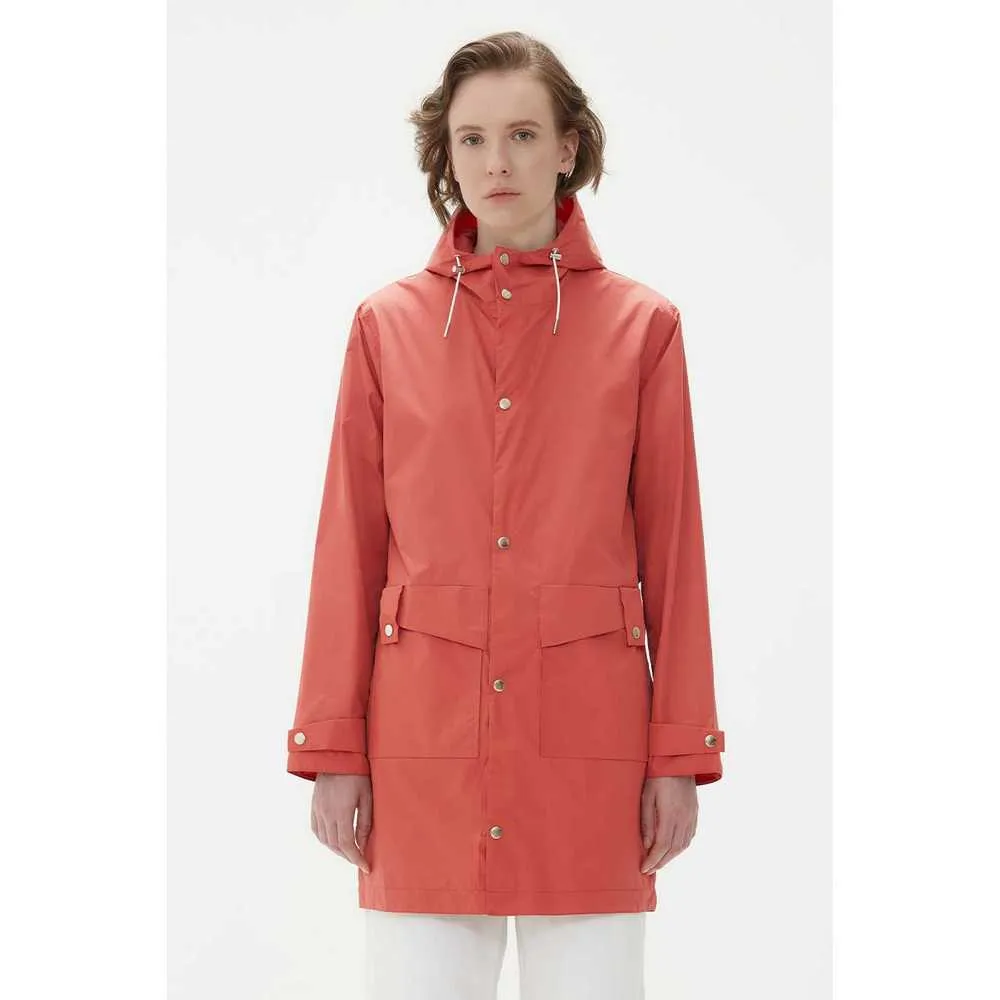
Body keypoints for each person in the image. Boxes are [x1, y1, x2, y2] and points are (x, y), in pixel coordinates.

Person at [285, 30, 727, 1000]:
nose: (497, 162)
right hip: (422, 758)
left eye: (523, 134)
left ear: (568, 147)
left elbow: (675, 554)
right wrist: (331, 748)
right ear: (444, 154)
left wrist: (680, 753)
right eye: (472, 138)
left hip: (591, 759)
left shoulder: (641, 330)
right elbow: (348, 547)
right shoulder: (387, 327)